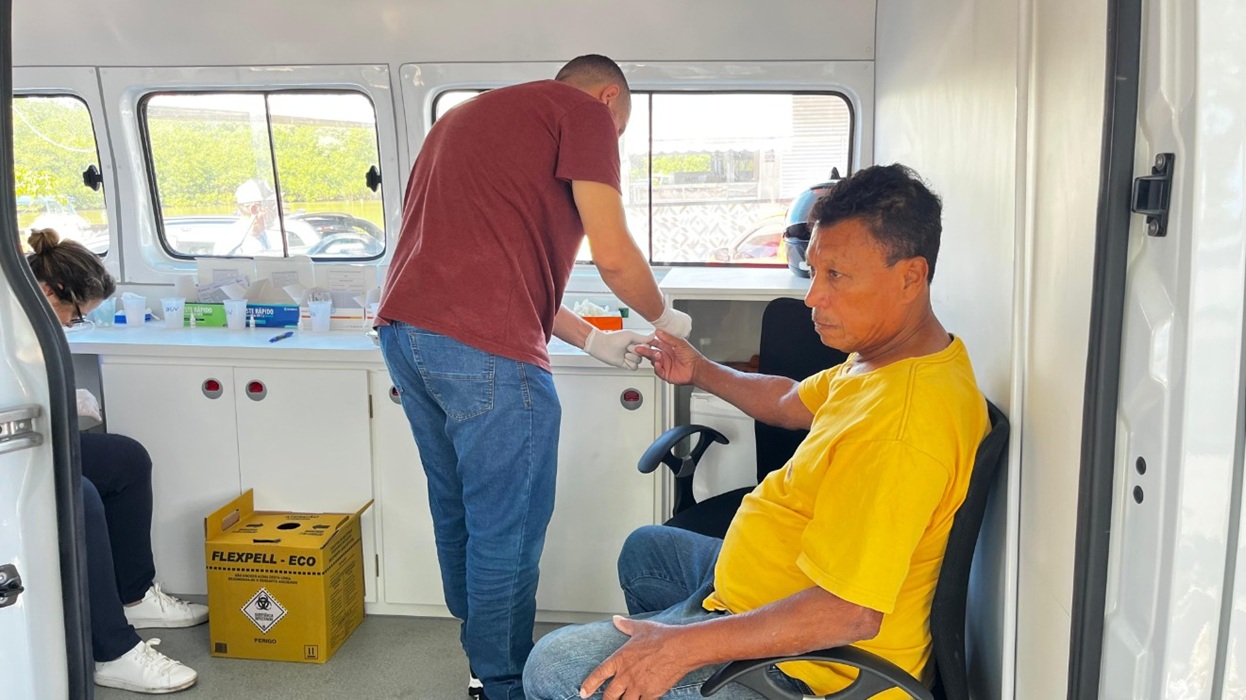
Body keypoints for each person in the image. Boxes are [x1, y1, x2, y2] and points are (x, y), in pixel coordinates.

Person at [522, 164, 990, 699]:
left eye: (836, 275)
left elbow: (849, 612)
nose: (813, 297)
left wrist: (680, 648)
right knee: (646, 551)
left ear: (910, 277)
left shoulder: (902, 426)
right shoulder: (886, 362)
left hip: (805, 670)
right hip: (760, 595)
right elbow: (789, 401)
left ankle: (670, 660)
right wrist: (699, 368)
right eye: (814, 271)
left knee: (552, 667)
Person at [374, 54, 692, 699]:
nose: (610, 145)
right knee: (508, 528)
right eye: (618, 134)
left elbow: (498, 274)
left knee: (458, 508)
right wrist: (668, 318)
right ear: (608, 98)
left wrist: (593, 339)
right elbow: (613, 255)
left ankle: (479, 656)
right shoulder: (585, 114)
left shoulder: (463, 118)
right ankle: (503, 682)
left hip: (406, 333)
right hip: (482, 349)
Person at [27, 228, 208, 694]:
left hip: (28, 439)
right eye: (75, 314)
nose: (72, 324)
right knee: (80, 494)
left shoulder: (28, 320)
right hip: (15, 450)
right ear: (49, 291)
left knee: (125, 460)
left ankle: (133, 596)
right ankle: (112, 651)